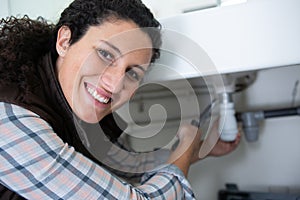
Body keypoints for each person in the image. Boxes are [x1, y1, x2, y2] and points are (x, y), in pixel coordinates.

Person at [0, 0, 240, 199]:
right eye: (105, 54)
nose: (114, 84)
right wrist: (185, 148)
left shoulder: (68, 103)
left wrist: (194, 149)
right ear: (64, 41)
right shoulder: (10, 120)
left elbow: (112, 172)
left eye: (132, 73)